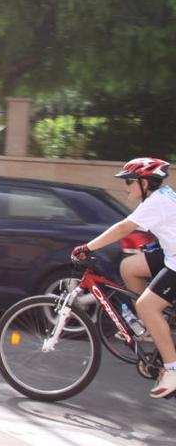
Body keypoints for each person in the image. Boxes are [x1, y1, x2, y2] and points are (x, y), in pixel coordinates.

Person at [71, 157, 176, 399]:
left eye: (129, 181)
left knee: (146, 305)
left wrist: (87, 247)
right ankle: (147, 328)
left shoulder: (156, 202)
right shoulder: (161, 195)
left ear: (145, 182)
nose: (126, 186)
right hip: (170, 254)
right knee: (129, 267)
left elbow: (123, 229)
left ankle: (172, 369)